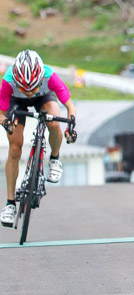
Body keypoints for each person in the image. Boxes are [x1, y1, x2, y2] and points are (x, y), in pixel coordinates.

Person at [0, 50, 77, 227]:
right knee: (14, 148)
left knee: (54, 123)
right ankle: (10, 204)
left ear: (41, 79)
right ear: (16, 80)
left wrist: (70, 127)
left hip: (43, 99)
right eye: (23, 88)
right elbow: (1, 114)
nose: (28, 92)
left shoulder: (50, 77)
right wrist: (6, 123)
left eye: (33, 88)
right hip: (15, 102)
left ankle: (55, 159)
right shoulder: (8, 81)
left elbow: (70, 108)